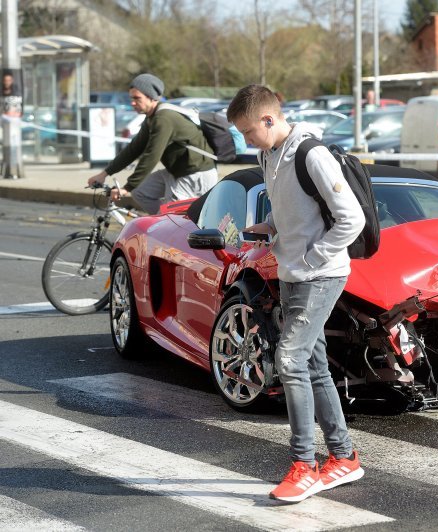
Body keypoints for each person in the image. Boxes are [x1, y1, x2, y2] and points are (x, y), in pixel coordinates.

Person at [226, 84, 365, 503]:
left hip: (319, 275)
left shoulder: (311, 155)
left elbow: (351, 219)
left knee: (289, 360)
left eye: (249, 131)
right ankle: (344, 458)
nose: (246, 141)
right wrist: (270, 227)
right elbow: (295, 208)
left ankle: (304, 465)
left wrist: (311, 258)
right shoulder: (268, 154)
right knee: (314, 364)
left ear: (270, 119)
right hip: (293, 273)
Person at [87, 74, 218, 214]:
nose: (132, 102)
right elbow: (133, 150)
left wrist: (127, 187)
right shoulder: (152, 118)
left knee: (172, 219)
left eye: (137, 98)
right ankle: (163, 224)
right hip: (176, 171)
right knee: (140, 192)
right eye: (131, 98)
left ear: (151, 97)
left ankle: (173, 226)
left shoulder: (164, 118)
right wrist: (105, 173)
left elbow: (152, 155)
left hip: (195, 174)